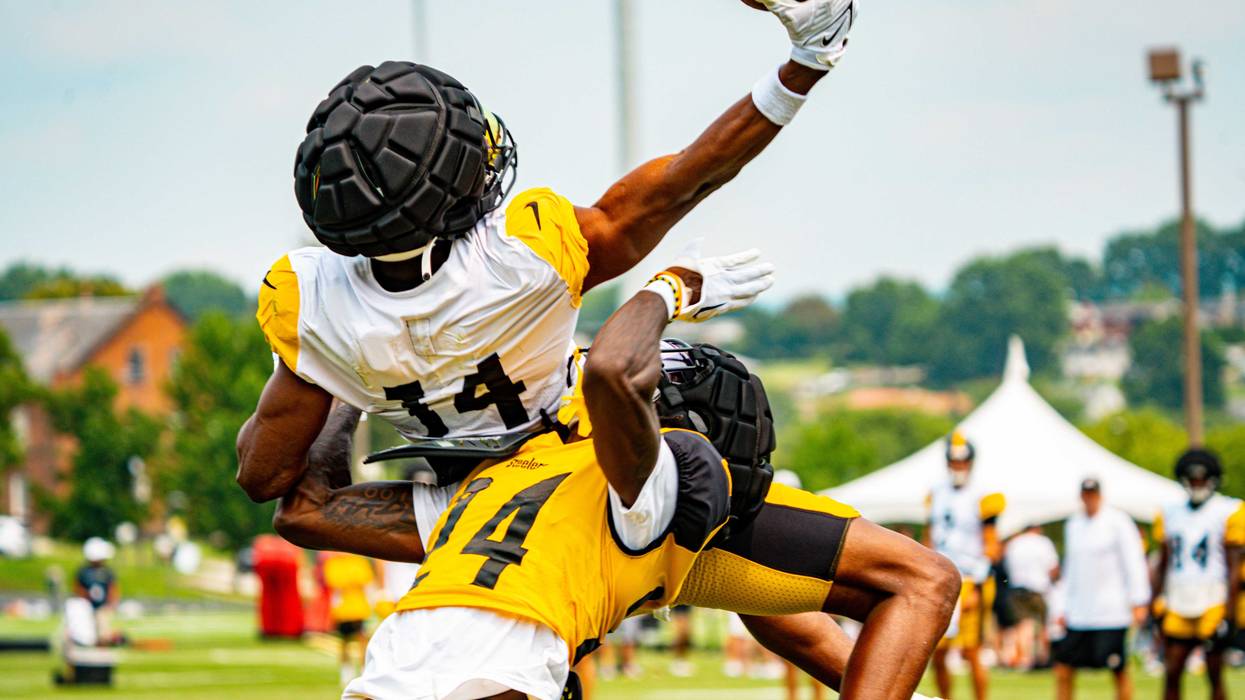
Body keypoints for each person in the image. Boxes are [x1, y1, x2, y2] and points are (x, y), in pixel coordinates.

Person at [272, 271, 959, 699]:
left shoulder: (495, 485)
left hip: (401, 661)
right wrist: (673, 286)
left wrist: (343, 382)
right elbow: (921, 581)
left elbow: (304, 513)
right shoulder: (651, 490)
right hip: (501, 665)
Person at [1152, 449, 1245, 700]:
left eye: (1202, 478)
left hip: (1213, 597)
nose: (1197, 484)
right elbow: (1164, 561)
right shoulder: (1170, 512)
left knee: (1214, 671)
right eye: (1192, 479)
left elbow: (1234, 565)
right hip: (1179, 597)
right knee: (1172, 670)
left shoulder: (1229, 510)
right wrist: (1155, 600)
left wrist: (1230, 611)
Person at [1054, 478, 1150, 700]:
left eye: (1093, 494)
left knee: (1118, 669)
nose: (1090, 499)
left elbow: (1133, 562)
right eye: (1086, 494)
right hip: (1079, 611)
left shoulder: (1118, 521)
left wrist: (1138, 600)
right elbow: (1070, 569)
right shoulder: (1074, 524)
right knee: (1064, 666)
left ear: (1100, 495)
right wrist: (1061, 606)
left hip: (1111, 611)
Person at [926, 431, 1005, 700]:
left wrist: (975, 582)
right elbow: (930, 537)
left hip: (971, 578)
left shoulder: (984, 494)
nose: (958, 466)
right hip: (941, 577)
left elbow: (992, 544)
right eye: (953, 461)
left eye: (962, 461)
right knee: (936, 649)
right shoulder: (935, 493)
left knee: (972, 650)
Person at [1003, 524, 1058, 670]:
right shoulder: (1043, 543)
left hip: (1017, 588)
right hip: (1039, 588)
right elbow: (1053, 568)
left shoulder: (1014, 543)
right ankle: (1043, 658)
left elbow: (1008, 567)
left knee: (1023, 626)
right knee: (1043, 625)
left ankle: (1025, 660)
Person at [322, 551, 378, 686]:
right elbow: (335, 582)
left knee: (362, 640)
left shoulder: (358, 561)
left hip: (360, 608)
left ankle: (365, 670)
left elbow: (365, 581)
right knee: (344, 642)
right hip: (343, 609)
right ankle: (346, 671)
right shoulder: (334, 563)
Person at [74, 537, 119, 645]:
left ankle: (107, 641)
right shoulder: (83, 572)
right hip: (86, 607)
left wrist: (112, 603)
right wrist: (84, 601)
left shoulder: (107, 572)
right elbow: (78, 589)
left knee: (102, 631)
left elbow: (112, 588)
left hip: (102, 607)